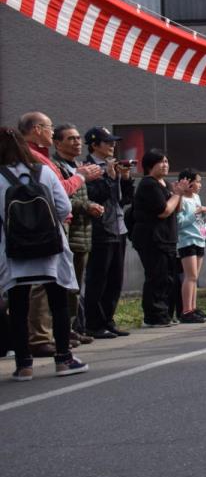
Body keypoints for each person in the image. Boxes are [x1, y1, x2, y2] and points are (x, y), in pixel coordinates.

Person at [0, 127, 89, 379]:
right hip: (50, 248)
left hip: (14, 251)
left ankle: (23, 365)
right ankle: (63, 360)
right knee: (58, 303)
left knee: (18, 307)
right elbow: (63, 208)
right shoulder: (44, 172)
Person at [18, 112, 102, 356]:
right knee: (42, 283)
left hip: (54, 225)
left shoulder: (39, 157)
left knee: (59, 282)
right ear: (36, 129)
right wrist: (82, 176)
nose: (51, 132)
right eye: (49, 127)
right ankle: (40, 337)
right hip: (44, 226)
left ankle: (56, 333)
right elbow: (61, 191)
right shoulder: (34, 157)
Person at [51, 123, 101, 343]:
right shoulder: (56, 166)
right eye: (70, 138)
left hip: (84, 231)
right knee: (64, 285)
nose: (76, 142)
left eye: (78, 138)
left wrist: (92, 204)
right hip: (67, 232)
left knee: (76, 284)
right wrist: (85, 206)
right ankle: (59, 330)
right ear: (57, 142)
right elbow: (60, 197)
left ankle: (71, 327)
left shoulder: (78, 166)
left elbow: (80, 197)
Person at [82, 127, 133, 338]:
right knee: (98, 278)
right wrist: (110, 177)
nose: (112, 145)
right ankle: (94, 323)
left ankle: (108, 320)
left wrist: (126, 177)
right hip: (100, 229)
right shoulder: (88, 168)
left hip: (118, 227)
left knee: (115, 278)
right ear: (94, 145)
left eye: (113, 142)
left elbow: (126, 199)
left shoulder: (113, 165)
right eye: (107, 142)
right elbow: (97, 195)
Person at [130, 149, 187, 327]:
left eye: (167, 162)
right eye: (161, 162)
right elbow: (163, 211)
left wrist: (179, 193)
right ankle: (154, 317)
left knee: (168, 278)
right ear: (149, 166)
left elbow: (176, 209)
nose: (165, 165)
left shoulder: (166, 184)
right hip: (151, 238)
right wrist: (177, 194)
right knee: (156, 277)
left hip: (167, 237)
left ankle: (166, 314)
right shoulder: (148, 184)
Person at [175, 169, 206, 324]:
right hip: (186, 240)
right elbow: (179, 222)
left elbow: (197, 219)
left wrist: (204, 212)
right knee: (190, 276)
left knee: (195, 277)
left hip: (199, 238)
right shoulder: (180, 199)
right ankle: (186, 310)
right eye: (197, 181)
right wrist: (196, 213)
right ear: (188, 182)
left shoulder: (196, 197)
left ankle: (193, 308)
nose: (199, 185)